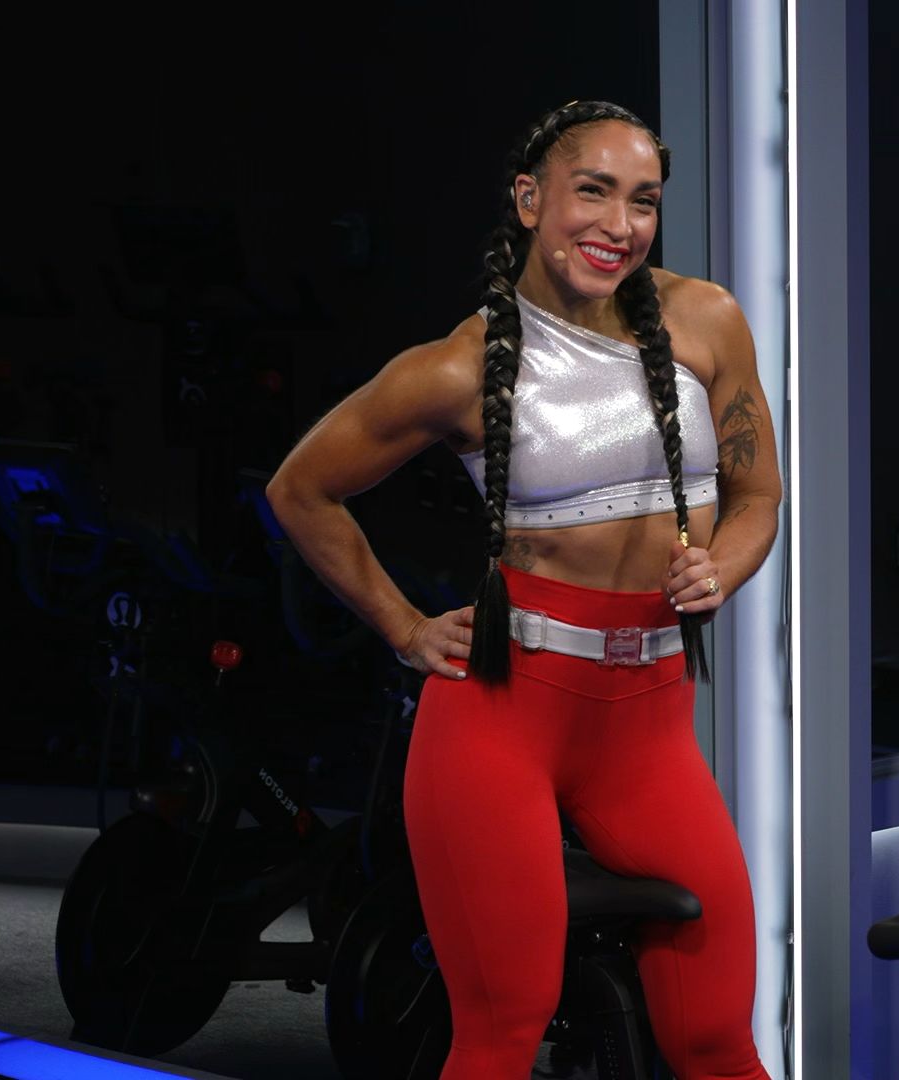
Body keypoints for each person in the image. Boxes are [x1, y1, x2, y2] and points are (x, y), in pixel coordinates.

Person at [264, 100, 782, 1080]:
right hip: (501, 723)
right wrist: (404, 627)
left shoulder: (708, 318)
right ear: (530, 199)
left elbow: (758, 495)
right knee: (503, 1034)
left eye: (643, 201)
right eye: (594, 192)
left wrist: (724, 564)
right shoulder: (458, 366)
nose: (619, 224)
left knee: (718, 1040)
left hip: (650, 729)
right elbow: (301, 490)